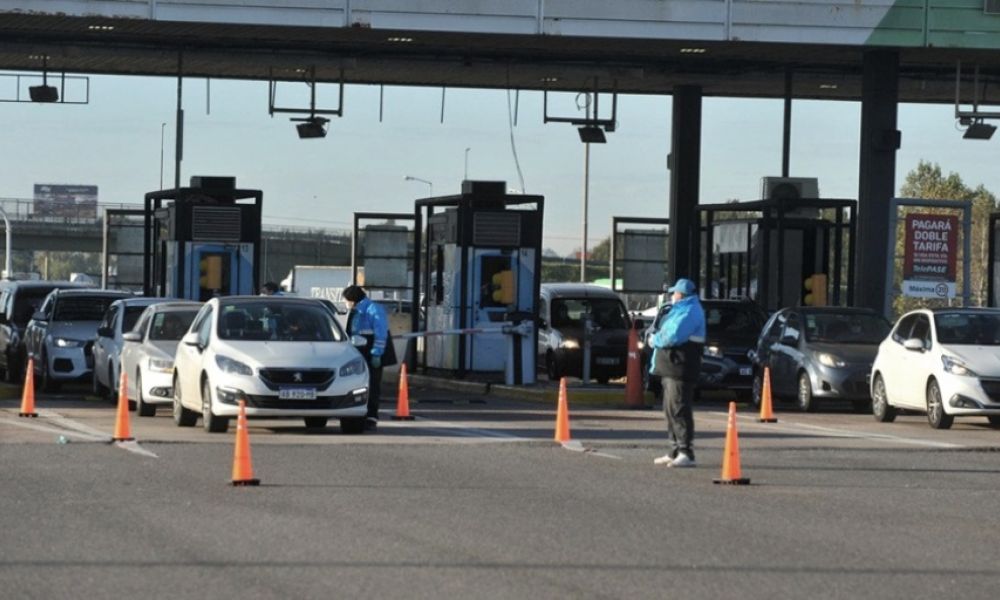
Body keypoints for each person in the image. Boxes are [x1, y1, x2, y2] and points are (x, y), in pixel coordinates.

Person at [649, 278, 706, 468]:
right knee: (670, 410)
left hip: (681, 367)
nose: (673, 296)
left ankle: (685, 452)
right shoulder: (679, 310)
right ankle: (674, 450)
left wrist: (654, 340)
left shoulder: (690, 311)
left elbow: (672, 336)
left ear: (682, 295)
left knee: (680, 409)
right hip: (671, 368)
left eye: (675, 293)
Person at [342, 285, 394, 430]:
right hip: (358, 351)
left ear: (353, 299)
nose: (347, 303)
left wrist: (377, 353)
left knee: (373, 384)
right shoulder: (356, 310)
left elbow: (381, 333)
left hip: (371, 352)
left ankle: (371, 416)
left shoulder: (373, 309)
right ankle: (360, 413)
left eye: (347, 300)